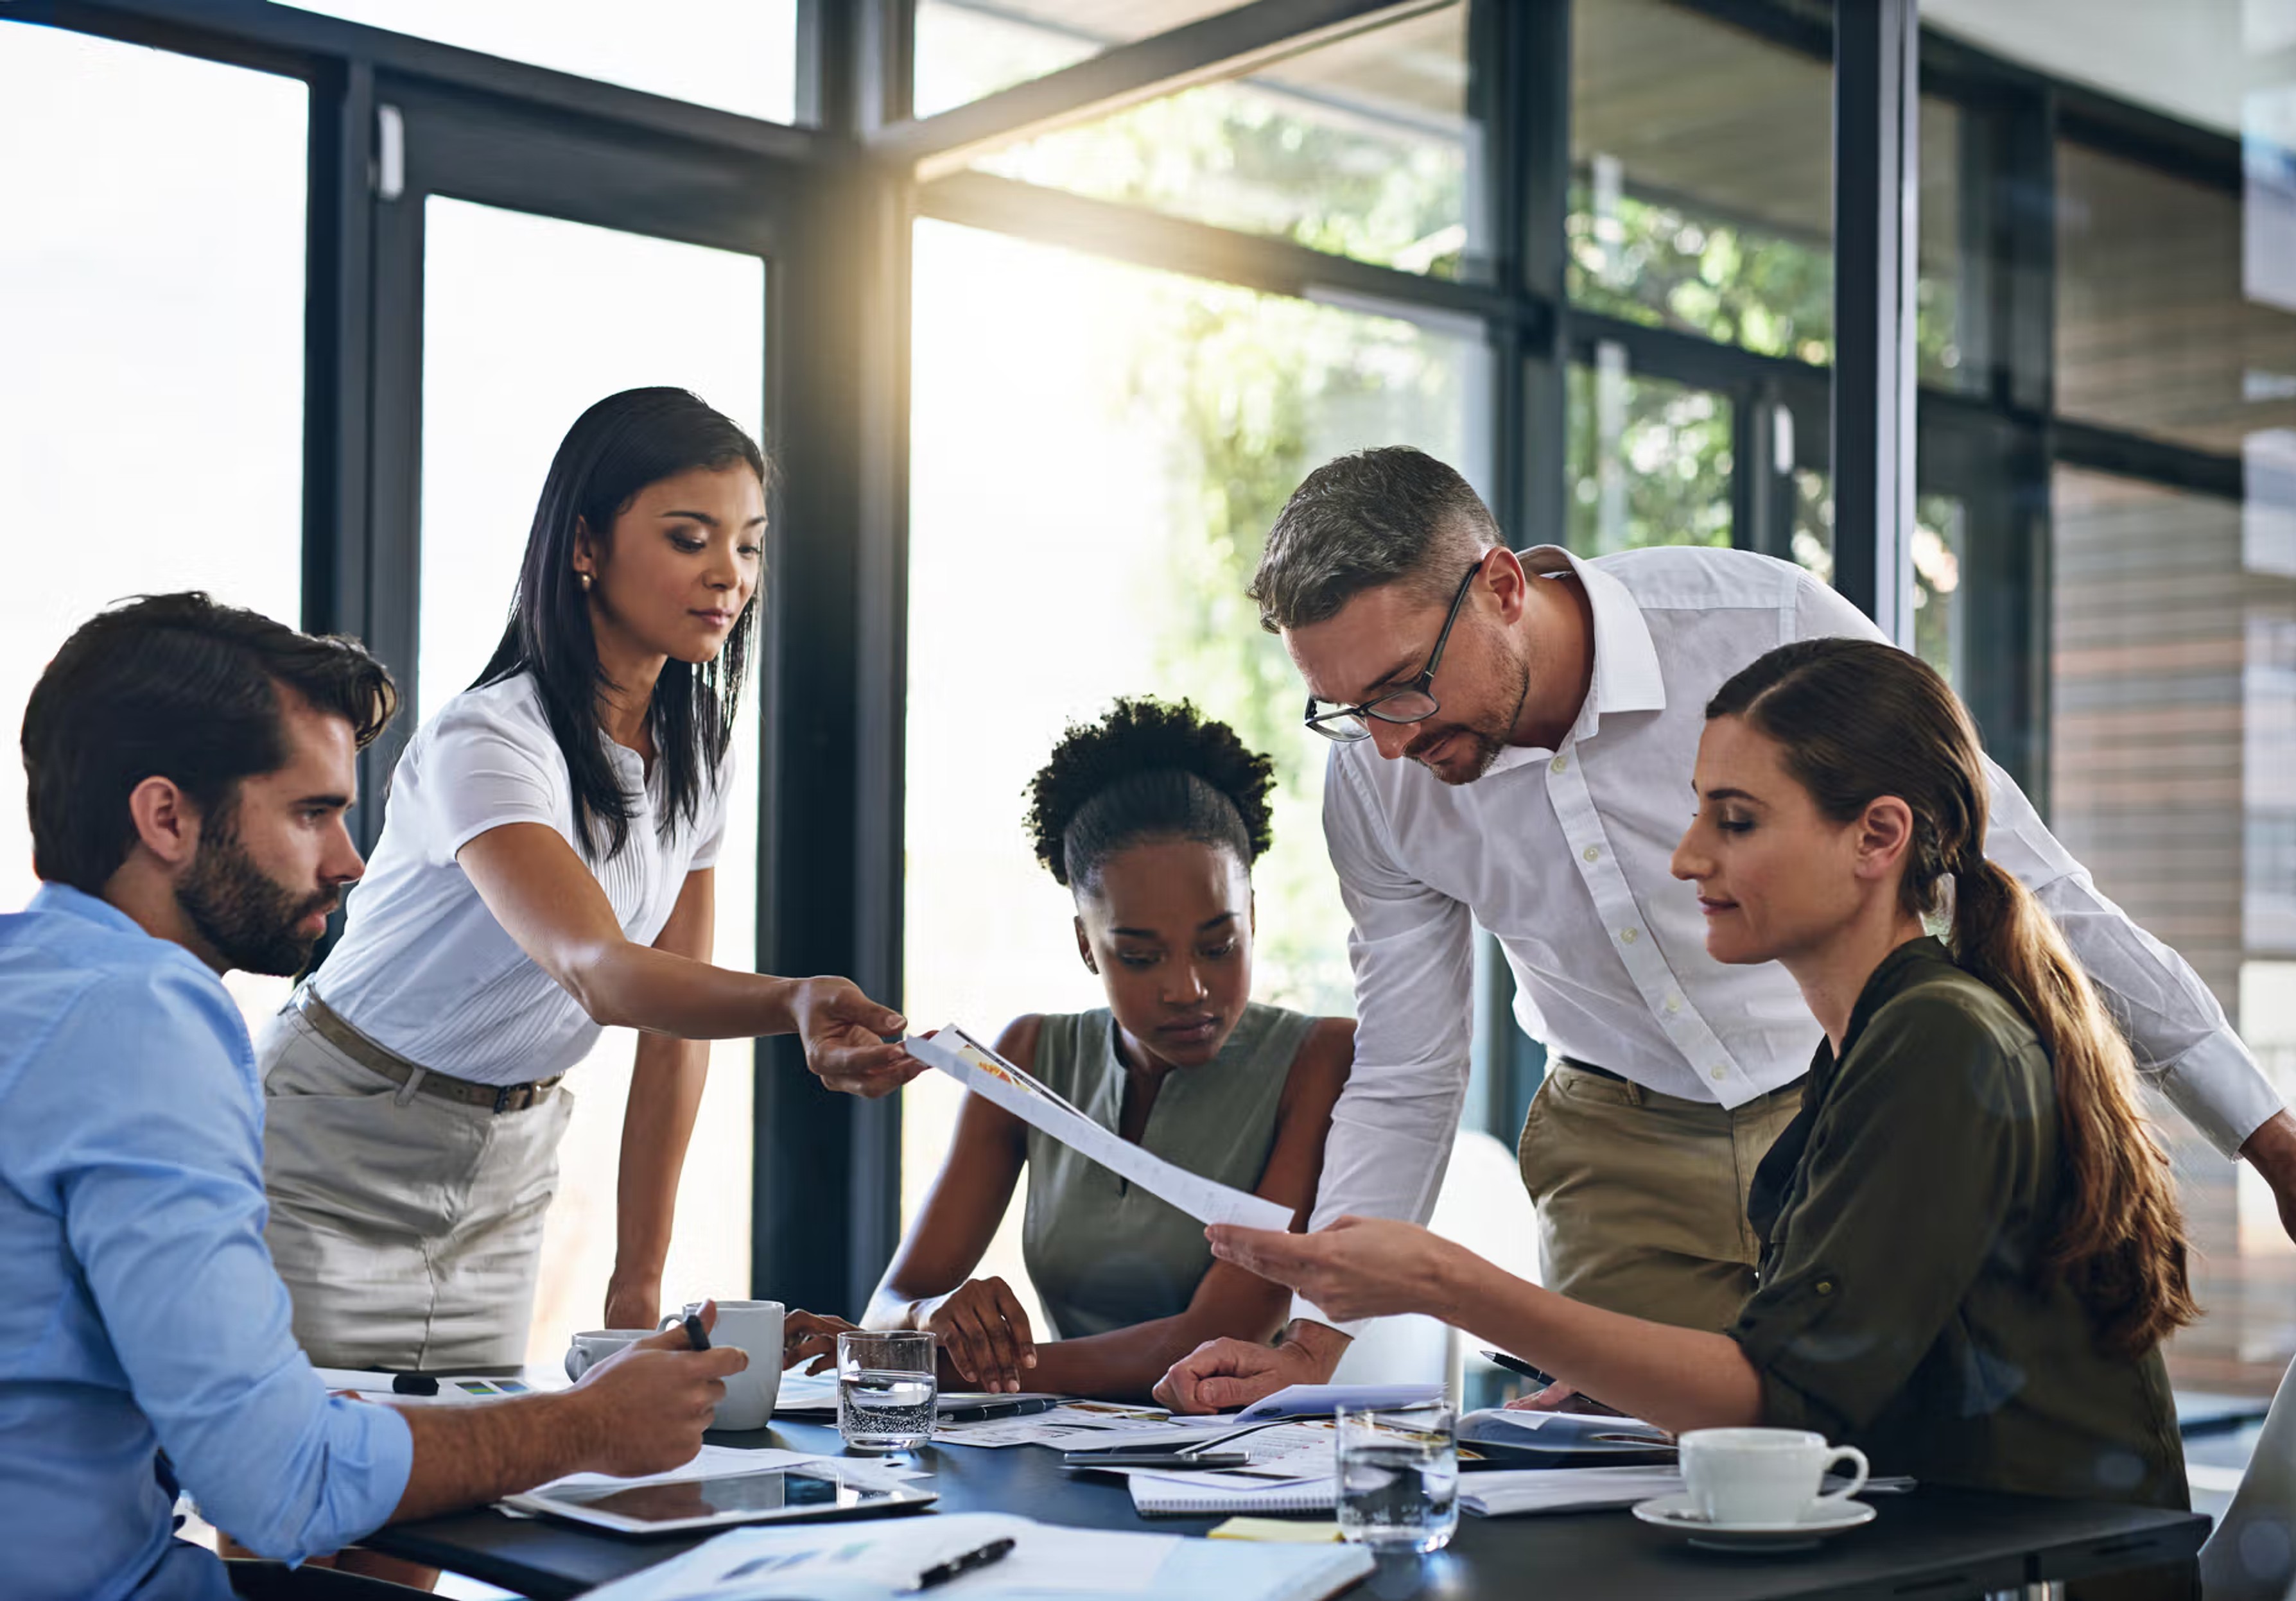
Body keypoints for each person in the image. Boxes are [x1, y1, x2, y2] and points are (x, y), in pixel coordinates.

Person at [1157, 446, 2296, 1412]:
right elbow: (1412, 1059)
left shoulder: (1760, 631)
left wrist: (2278, 1148)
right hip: (1617, 1148)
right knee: (1651, 1528)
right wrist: (1314, 1344)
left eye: (1401, 687)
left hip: (1846, 1117)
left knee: (1868, 1490)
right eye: (1344, 709)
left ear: (1500, 586)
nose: (1385, 738)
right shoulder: (1378, 780)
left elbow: (2034, 887)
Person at [1201, 638, 2198, 1557]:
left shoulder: (1937, 1041)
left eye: (1737, 820)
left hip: (2027, 1568)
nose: (1687, 857)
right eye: (1697, 811)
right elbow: (1833, 1365)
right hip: (1955, 1545)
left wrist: (1447, 1282)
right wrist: (1619, 1378)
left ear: (1877, 836)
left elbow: (1784, 1406)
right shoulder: (1880, 1037)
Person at [2, 594, 749, 1601]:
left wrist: (295, 1398)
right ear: (166, 816)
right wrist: (591, 1425)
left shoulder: (32, 985)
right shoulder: (152, 1020)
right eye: (313, 813)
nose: (351, 861)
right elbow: (277, 1487)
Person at [258, 388, 918, 1374]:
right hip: (333, 1140)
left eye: (748, 544)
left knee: (462, 1493)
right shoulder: (488, 740)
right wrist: (794, 999)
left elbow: (671, 1022)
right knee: (294, 1497)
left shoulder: (697, 752)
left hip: (509, 1161)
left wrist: (637, 1278)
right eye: (690, 538)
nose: (728, 576)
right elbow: (602, 971)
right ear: (585, 546)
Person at [802, 700, 1351, 1400]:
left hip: (1259, 1466)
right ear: (1087, 945)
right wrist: (929, 1317)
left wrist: (925, 1364)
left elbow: (1214, 1340)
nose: (1188, 988)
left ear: (1254, 919)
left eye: (1219, 946)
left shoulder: (1321, 1059)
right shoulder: (1028, 1055)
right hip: (1068, 1454)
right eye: (1141, 955)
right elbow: (893, 1304)